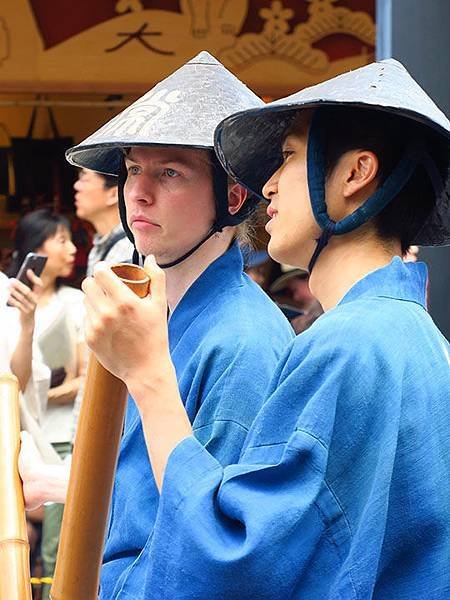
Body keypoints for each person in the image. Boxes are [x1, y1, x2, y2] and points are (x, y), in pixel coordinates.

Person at [80, 58, 450, 598]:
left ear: (355, 173)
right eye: (132, 171)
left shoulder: (351, 345)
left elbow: (234, 563)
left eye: (289, 158)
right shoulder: (402, 334)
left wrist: (148, 374)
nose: (268, 187)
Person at [20, 51, 294, 599]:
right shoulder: (157, 314)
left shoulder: (243, 340)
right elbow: (151, 488)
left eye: (170, 172)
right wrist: (63, 483)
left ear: (233, 197)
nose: (139, 192)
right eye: (133, 170)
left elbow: (212, 534)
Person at [8, 208, 86, 599]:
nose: (72, 249)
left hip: (55, 439)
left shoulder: (76, 301)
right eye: (61, 240)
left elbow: (21, 382)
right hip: (20, 436)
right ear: (33, 249)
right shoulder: (7, 297)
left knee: (57, 550)